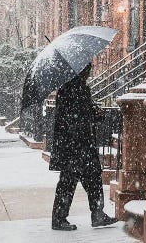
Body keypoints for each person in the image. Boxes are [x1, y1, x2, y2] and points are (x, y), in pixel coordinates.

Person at [49, 63, 117, 231]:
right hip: (76, 145)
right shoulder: (75, 88)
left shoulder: (70, 87)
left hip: (72, 146)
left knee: (78, 181)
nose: (89, 73)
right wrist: (92, 115)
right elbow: (76, 117)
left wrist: (94, 113)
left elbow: (79, 113)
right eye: (88, 70)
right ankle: (89, 215)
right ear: (81, 70)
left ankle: (93, 214)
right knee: (79, 180)